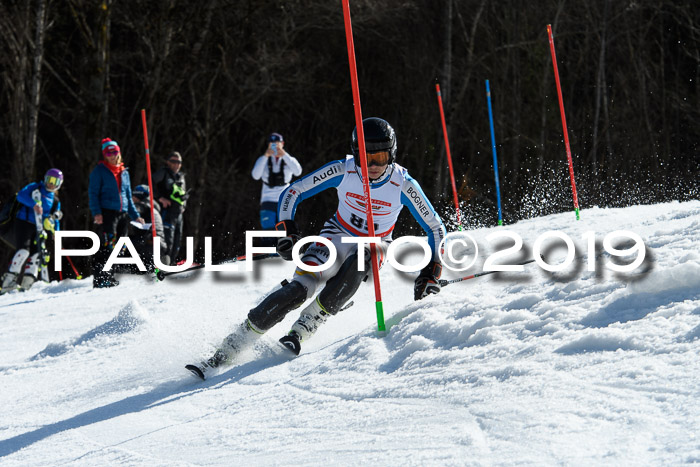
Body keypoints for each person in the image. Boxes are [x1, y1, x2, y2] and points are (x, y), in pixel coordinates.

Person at [187, 118, 445, 379]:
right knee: (296, 290)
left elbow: (435, 228)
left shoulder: (403, 184)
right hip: (335, 235)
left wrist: (432, 270)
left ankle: (309, 322)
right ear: (356, 154)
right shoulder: (343, 170)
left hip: (374, 244)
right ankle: (230, 347)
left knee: (360, 260)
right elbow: (293, 192)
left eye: (381, 157)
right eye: (367, 158)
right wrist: (286, 228)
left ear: (392, 153)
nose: (374, 165)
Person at [88, 138, 144, 288]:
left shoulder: (124, 172)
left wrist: (136, 216)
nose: (112, 156)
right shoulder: (99, 171)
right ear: (105, 155)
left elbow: (128, 196)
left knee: (120, 247)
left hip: (123, 214)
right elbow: (93, 194)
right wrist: (97, 212)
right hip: (107, 213)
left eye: (114, 152)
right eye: (109, 153)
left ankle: (110, 276)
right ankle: (101, 278)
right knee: (108, 245)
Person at [0, 169, 63, 294]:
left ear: (59, 183)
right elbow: (21, 196)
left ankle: (27, 282)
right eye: (48, 179)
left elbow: (54, 218)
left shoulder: (55, 200)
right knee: (23, 251)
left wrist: (56, 232)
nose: (50, 183)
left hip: (39, 228)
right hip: (24, 222)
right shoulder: (35, 188)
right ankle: (9, 280)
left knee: (36, 255)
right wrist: (33, 204)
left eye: (54, 181)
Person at [251, 133, 302, 231]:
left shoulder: (289, 159)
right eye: (272, 143)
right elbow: (255, 176)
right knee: (268, 231)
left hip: (285, 199)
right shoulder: (263, 160)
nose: (275, 146)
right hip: (267, 200)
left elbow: (298, 172)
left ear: (282, 143)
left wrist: (284, 155)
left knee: (286, 230)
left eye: (277, 143)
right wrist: (266, 156)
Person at [153, 151, 187, 265]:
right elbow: (150, 183)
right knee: (168, 240)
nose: (176, 164)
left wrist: (184, 205)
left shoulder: (181, 176)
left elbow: (183, 194)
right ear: (168, 162)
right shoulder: (163, 172)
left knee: (178, 241)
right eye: (173, 161)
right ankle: (163, 265)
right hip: (166, 212)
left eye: (179, 162)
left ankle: (172, 263)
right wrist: (160, 198)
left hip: (178, 214)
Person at [129, 184, 166, 272]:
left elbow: (137, 209)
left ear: (138, 196)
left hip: (150, 244)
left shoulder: (144, 205)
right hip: (159, 244)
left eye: (133, 196)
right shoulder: (153, 207)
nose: (132, 199)